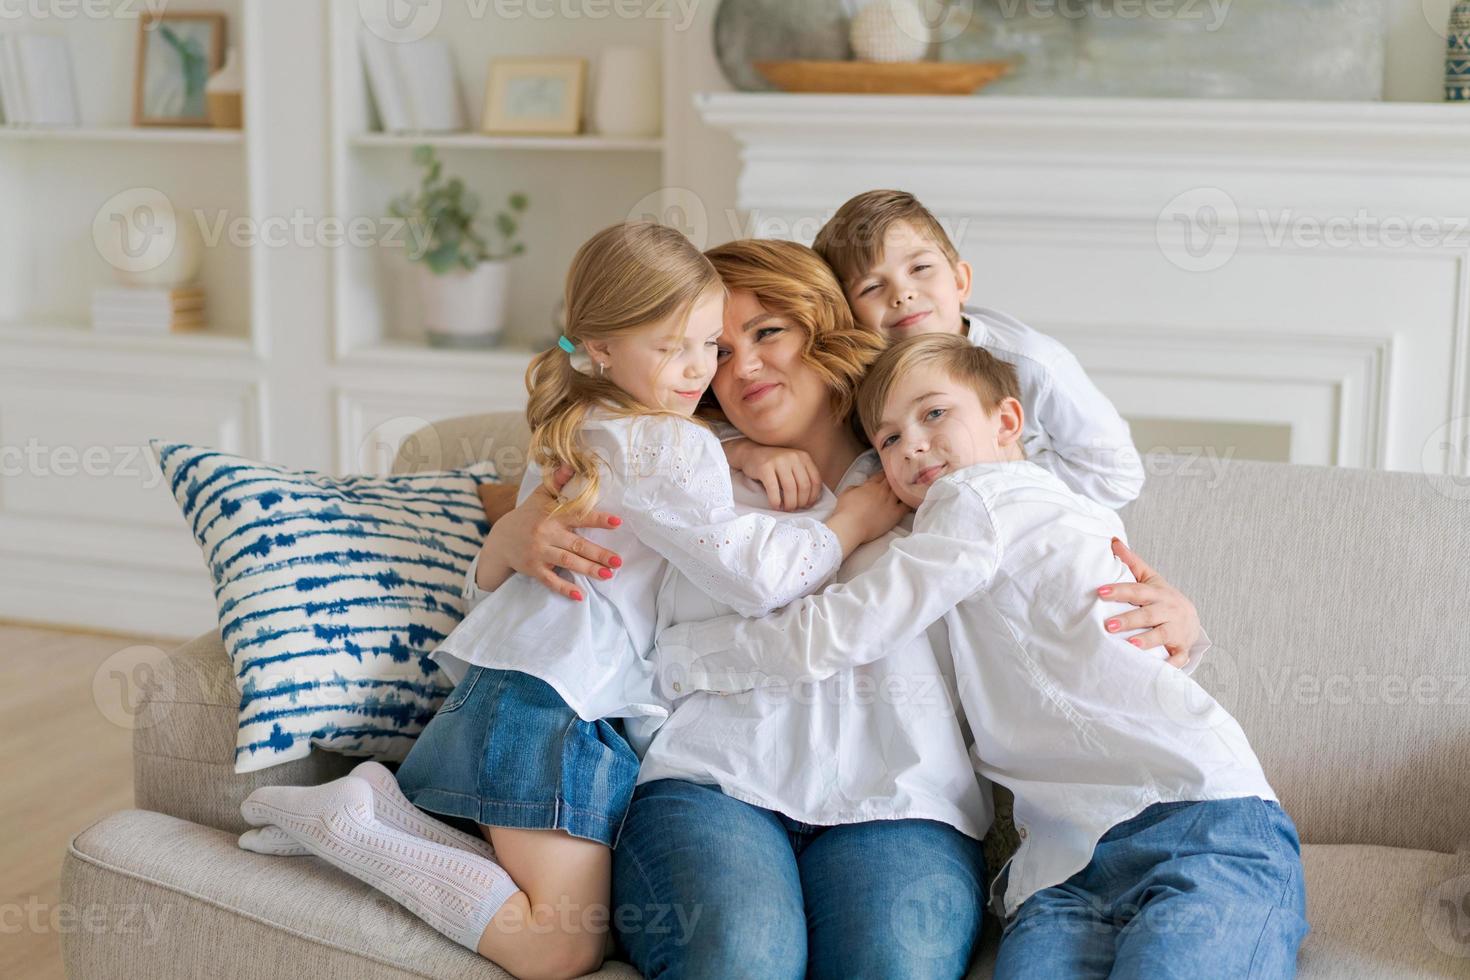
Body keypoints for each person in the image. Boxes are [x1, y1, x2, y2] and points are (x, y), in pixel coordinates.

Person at [481, 238, 1209, 977]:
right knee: (741, 957)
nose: (744, 367)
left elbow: (1077, 517)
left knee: (891, 964)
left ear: (823, 326)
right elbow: (547, 470)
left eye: (767, 333)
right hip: (711, 783)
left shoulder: (936, 471)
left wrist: (1180, 619)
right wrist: (512, 530)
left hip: (902, 802)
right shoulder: (682, 474)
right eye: (718, 352)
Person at [235, 222, 902, 980]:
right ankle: (354, 827)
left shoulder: (585, 429)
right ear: (601, 347)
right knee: (565, 943)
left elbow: (502, 583)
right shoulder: (666, 446)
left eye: (706, 347)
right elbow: (754, 576)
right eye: (672, 347)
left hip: (535, 692)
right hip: (555, 704)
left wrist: (735, 449)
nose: (699, 371)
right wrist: (853, 518)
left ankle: (375, 815)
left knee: (577, 924)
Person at [657, 333, 1309, 978]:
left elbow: (846, 627)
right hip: (1064, 870)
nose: (910, 444)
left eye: (934, 414)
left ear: (1008, 421)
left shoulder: (980, 503)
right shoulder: (1021, 515)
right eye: (886, 439)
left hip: (1196, 823)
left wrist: (687, 656)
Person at [811, 188, 1145, 508]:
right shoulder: (858, 380)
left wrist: (988, 481)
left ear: (959, 282)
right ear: (850, 315)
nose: (902, 293)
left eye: (920, 268)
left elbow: (1117, 475)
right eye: (871, 287)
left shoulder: (1032, 362)